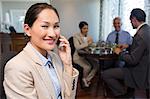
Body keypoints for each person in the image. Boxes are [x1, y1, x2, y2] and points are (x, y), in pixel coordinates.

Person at [3, 3, 79, 99]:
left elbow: (68, 96)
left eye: (56, 26)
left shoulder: (55, 57)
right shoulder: (17, 67)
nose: (52, 34)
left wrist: (68, 64)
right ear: (27, 30)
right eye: (44, 26)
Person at [102, 8, 150, 98]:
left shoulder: (140, 35)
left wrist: (120, 53)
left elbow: (133, 60)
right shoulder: (147, 30)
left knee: (105, 74)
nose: (131, 23)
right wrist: (128, 47)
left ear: (134, 19)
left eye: (131, 20)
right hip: (145, 68)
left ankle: (123, 93)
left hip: (138, 72)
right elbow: (141, 50)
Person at [73, 21, 97, 87]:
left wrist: (93, 44)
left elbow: (92, 46)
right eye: (84, 28)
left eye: (87, 28)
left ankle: (86, 79)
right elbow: (77, 47)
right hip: (78, 57)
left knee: (96, 65)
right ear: (80, 29)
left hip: (87, 56)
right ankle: (84, 80)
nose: (86, 30)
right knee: (88, 67)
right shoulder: (76, 36)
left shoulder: (89, 36)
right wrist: (87, 43)